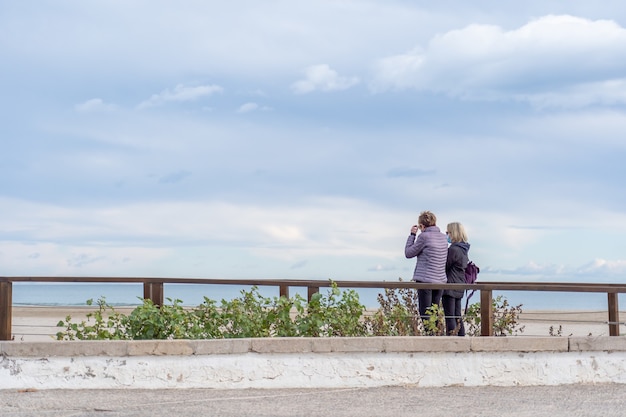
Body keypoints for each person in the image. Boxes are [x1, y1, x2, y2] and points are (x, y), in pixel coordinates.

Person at [404, 211, 448, 323]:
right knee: (434, 311)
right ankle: (436, 336)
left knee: (425, 313)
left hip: (425, 280)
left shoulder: (423, 237)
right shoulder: (443, 238)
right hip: (440, 280)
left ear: (422, 226)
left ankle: (429, 337)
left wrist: (412, 235)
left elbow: (409, 253)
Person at [442, 222, 470, 336]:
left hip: (450, 285)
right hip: (459, 285)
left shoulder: (453, 250)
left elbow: (445, 266)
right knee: (457, 316)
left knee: (450, 316)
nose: (446, 235)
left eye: (447, 232)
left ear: (453, 233)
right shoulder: (463, 249)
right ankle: (461, 338)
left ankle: (452, 340)